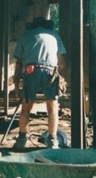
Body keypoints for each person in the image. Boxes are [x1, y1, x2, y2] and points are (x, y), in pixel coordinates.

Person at [12, 16, 66, 150]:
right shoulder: (54, 35)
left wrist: (16, 84)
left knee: (26, 107)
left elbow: (18, 64)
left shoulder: (25, 37)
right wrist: (59, 76)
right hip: (50, 71)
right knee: (52, 106)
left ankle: (21, 140)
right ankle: (53, 141)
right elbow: (61, 63)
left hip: (31, 71)